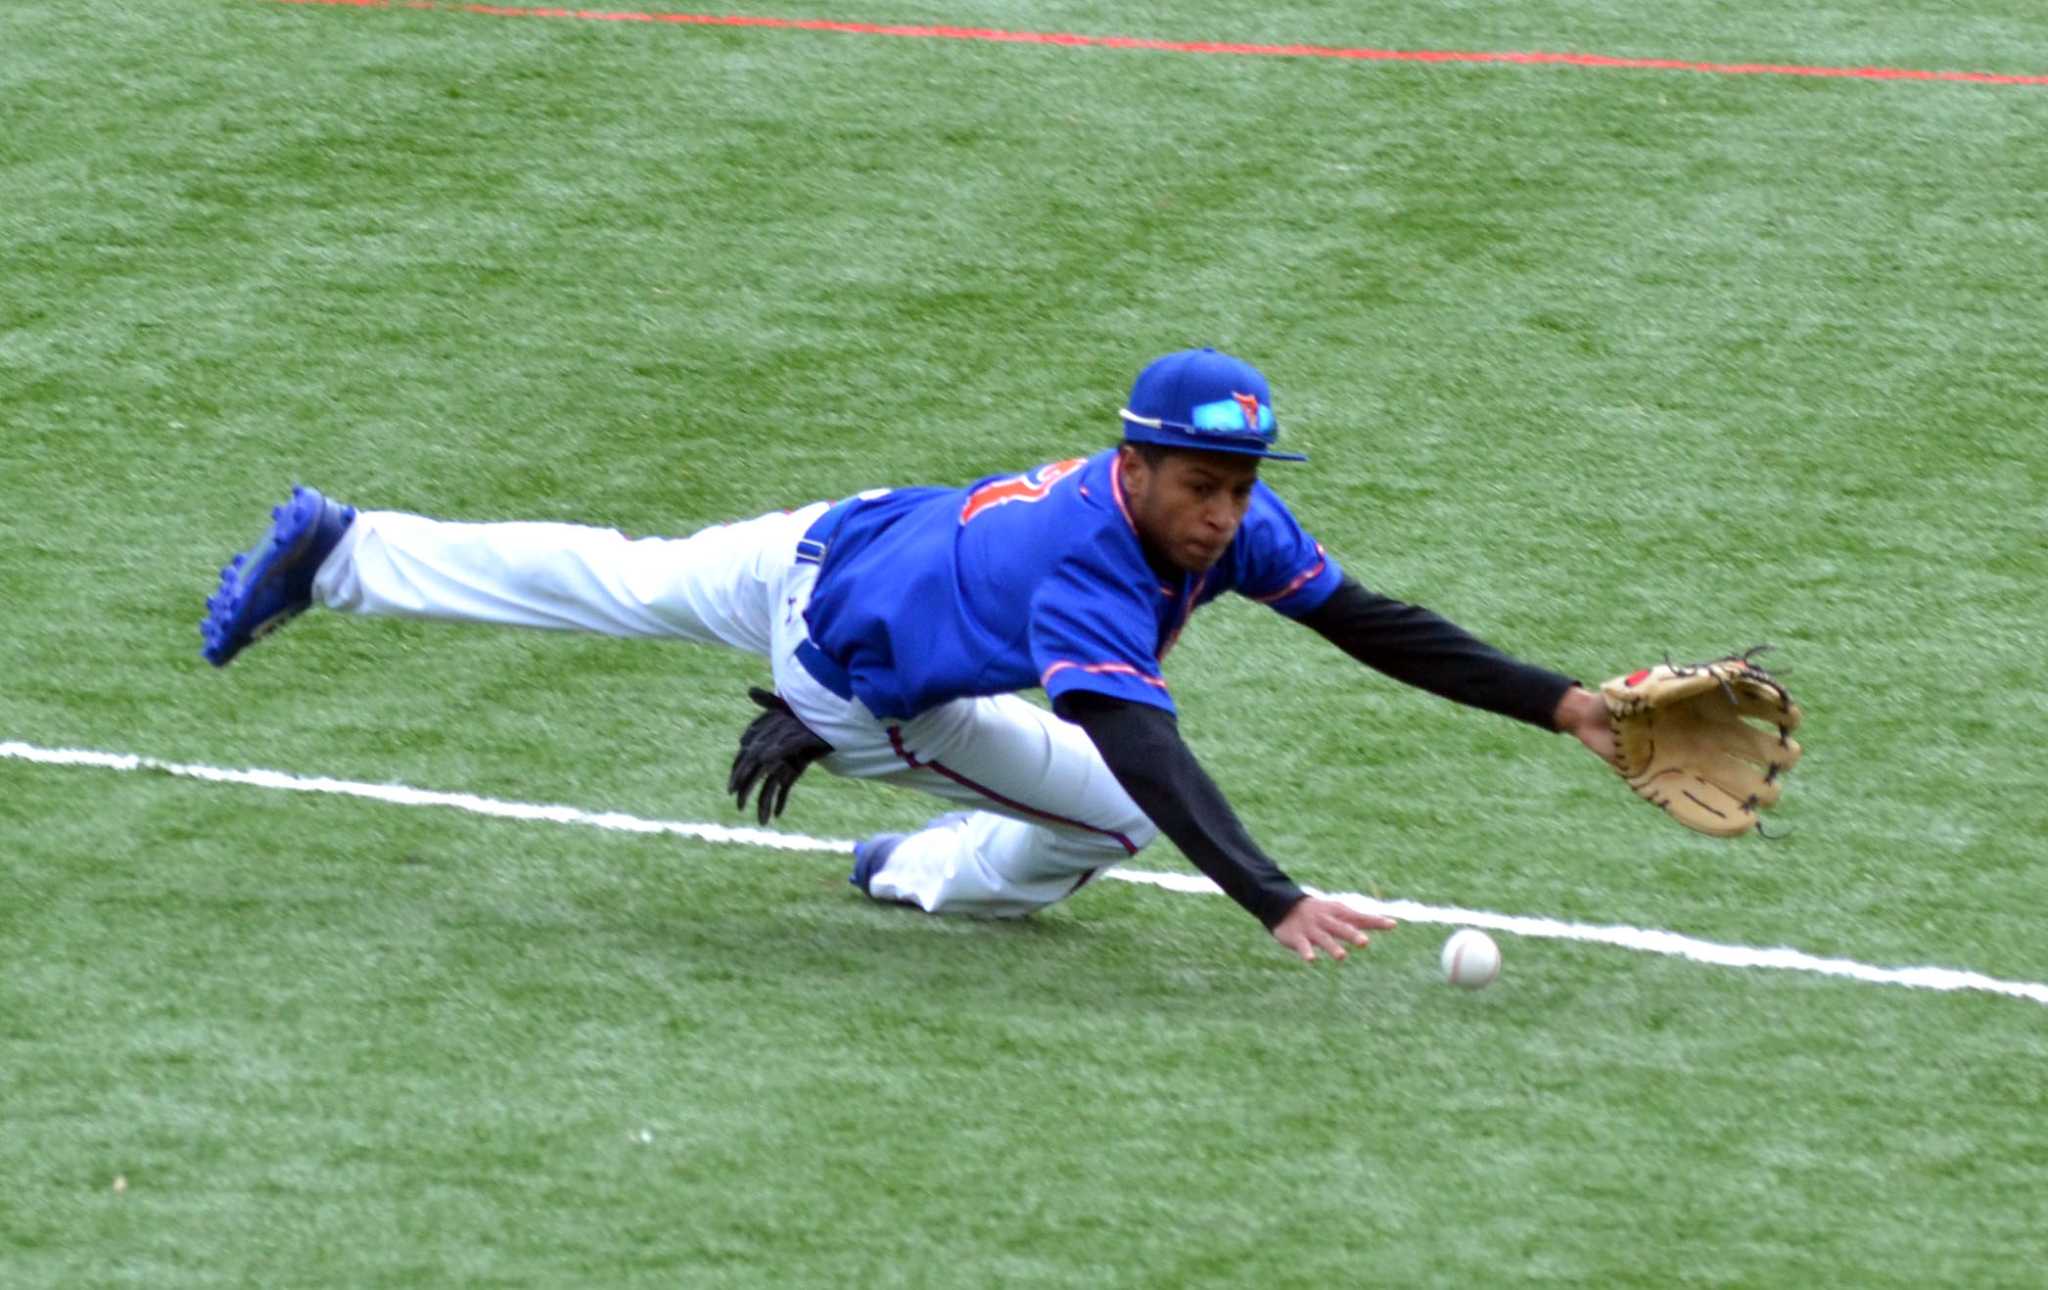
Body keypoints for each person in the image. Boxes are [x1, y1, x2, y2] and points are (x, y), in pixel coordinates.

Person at [202, 348, 1616, 963]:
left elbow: (1368, 622)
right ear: (1136, 464)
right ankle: (921, 863)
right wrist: (1271, 895)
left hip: (835, 536)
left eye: (1242, 484)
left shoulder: (1207, 522)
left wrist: (1562, 702)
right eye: (1202, 483)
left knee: (621, 574)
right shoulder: (1090, 569)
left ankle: (346, 552)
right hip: (857, 662)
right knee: (1118, 817)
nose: (1227, 514)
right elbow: (1144, 748)